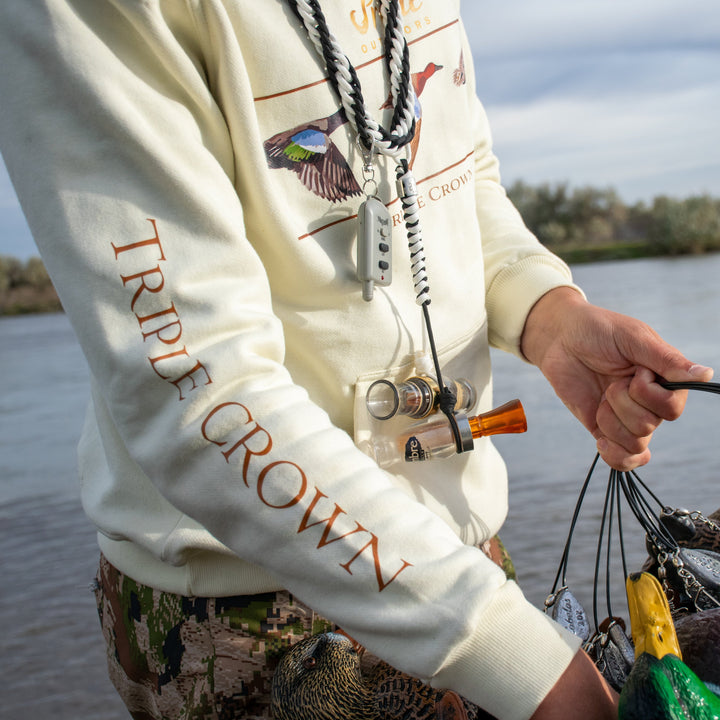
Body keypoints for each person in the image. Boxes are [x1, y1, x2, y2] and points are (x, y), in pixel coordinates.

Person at [0, 1, 712, 718]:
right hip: (246, 614)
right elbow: (198, 389)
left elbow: (455, 179)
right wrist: (520, 659)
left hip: (466, 568)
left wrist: (549, 317)